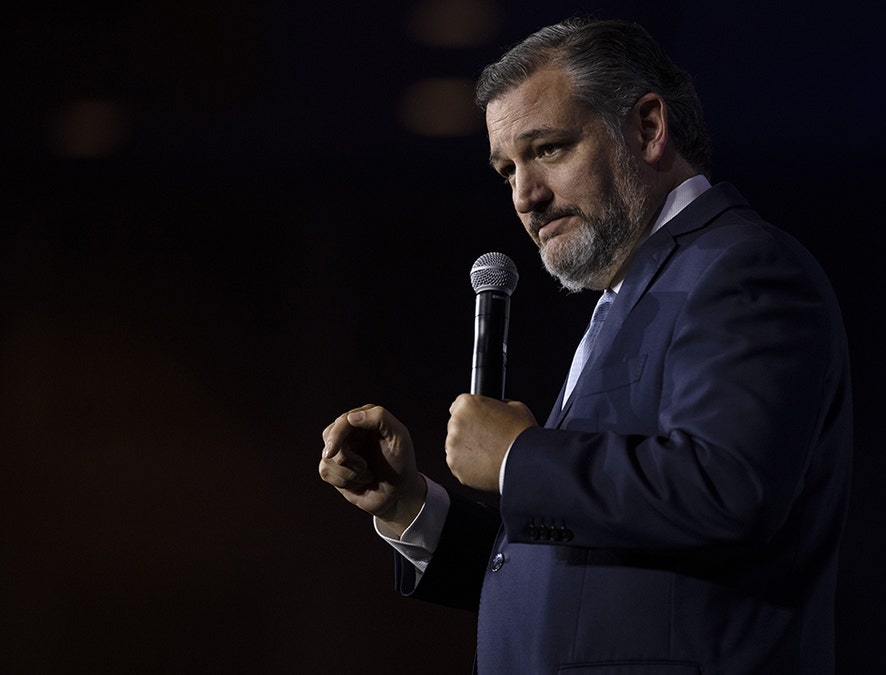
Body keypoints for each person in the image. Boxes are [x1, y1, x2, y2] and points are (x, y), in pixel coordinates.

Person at [319, 17, 852, 674]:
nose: (524, 196)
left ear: (648, 129)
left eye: (548, 149)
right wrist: (413, 510)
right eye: (506, 168)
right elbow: (586, 573)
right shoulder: (629, 294)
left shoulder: (741, 267)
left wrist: (519, 458)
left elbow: (726, 489)